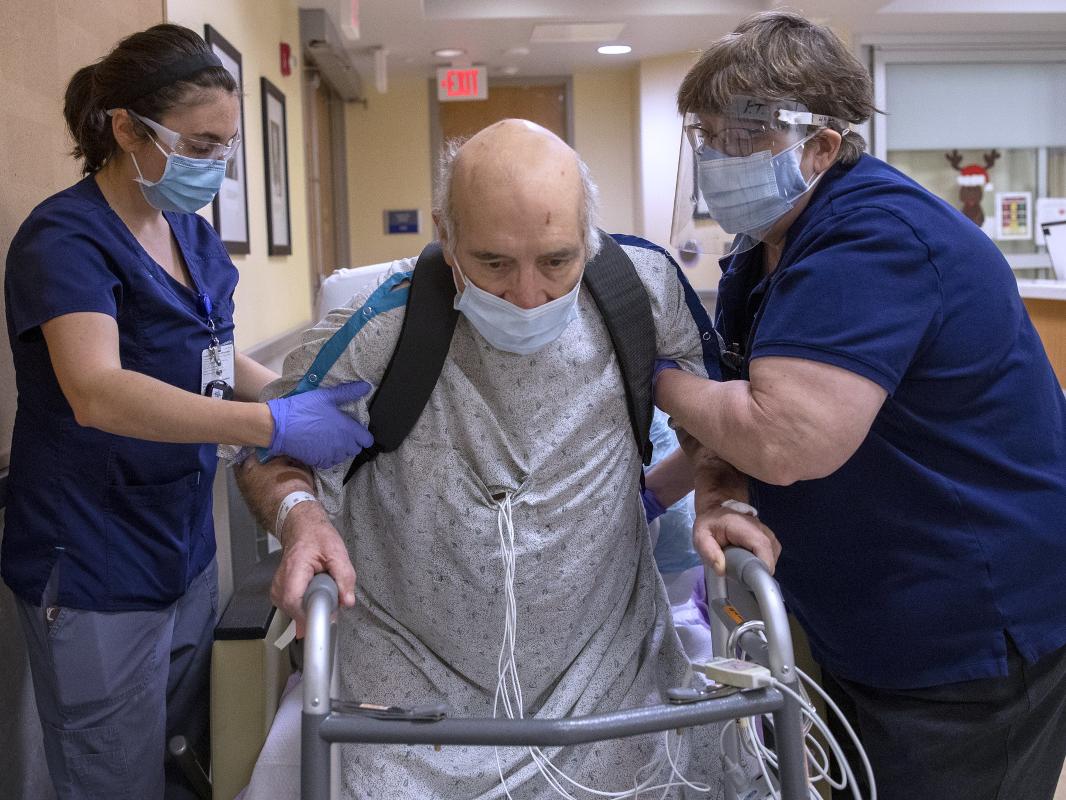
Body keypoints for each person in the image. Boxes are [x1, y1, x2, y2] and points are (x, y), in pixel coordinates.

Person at [234, 119, 777, 799]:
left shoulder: (643, 294)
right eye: (492, 263)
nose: (527, 295)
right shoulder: (383, 328)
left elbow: (711, 428)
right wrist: (302, 518)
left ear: (590, 234)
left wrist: (720, 496)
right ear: (445, 234)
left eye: (557, 261)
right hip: (415, 706)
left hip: (611, 689)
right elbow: (267, 449)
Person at [654, 11, 1066, 800]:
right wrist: (717, 486)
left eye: (744, 136)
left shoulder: (876, 239)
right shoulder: (771, 243)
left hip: (966, 634)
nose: (718, 157)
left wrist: (655, 376)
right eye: (706, 135)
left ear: (820, 146)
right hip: (870, 618)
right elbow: (742, 407)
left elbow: (783, 435)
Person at [3, 24, 372, 800]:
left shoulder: (190, 237)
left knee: (180, 763)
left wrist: (289, 394)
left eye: (226, 146)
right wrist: (267, 426)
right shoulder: (65, 240)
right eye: (200, 145)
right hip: (93, 560)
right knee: (111, 781)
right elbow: (96, 389)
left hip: (184, 550)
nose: (215, 165)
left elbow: (207, 352)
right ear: (126, 128)